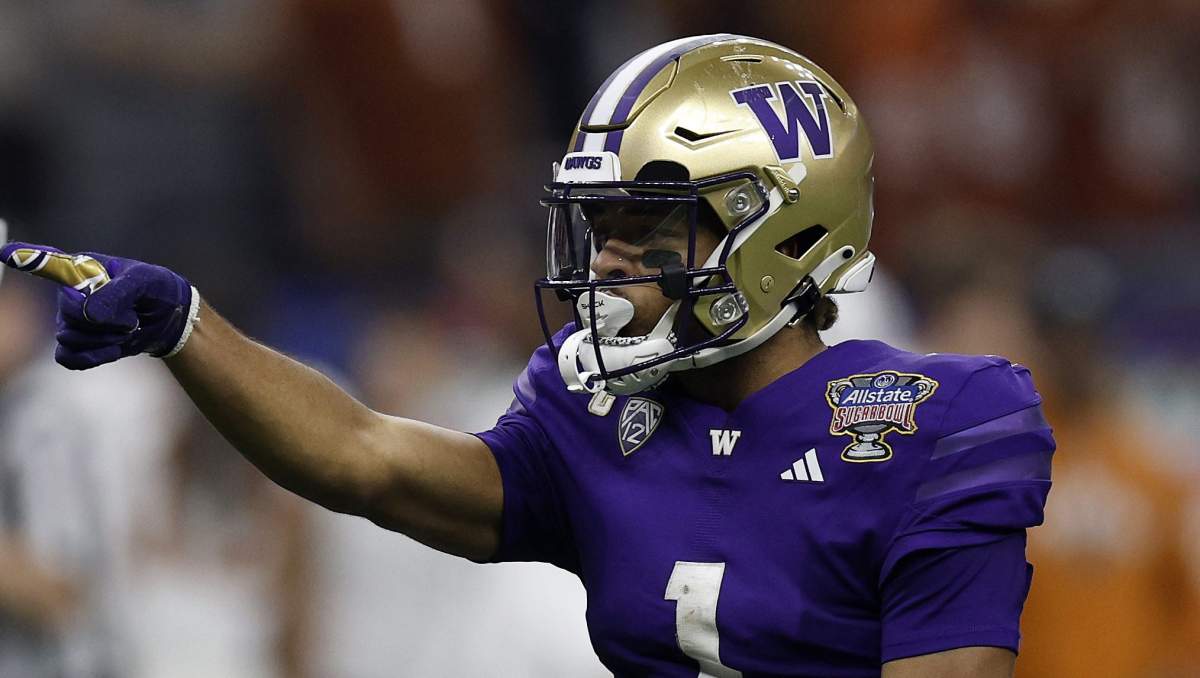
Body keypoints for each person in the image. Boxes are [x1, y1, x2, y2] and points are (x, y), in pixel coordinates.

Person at [2, 34, 1056, 677]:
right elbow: (364, 458)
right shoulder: (590, 411)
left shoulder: (935, 423)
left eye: (648, 227)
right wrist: (189, 328)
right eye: (599, 228)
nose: (609, 262)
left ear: (777, 232)